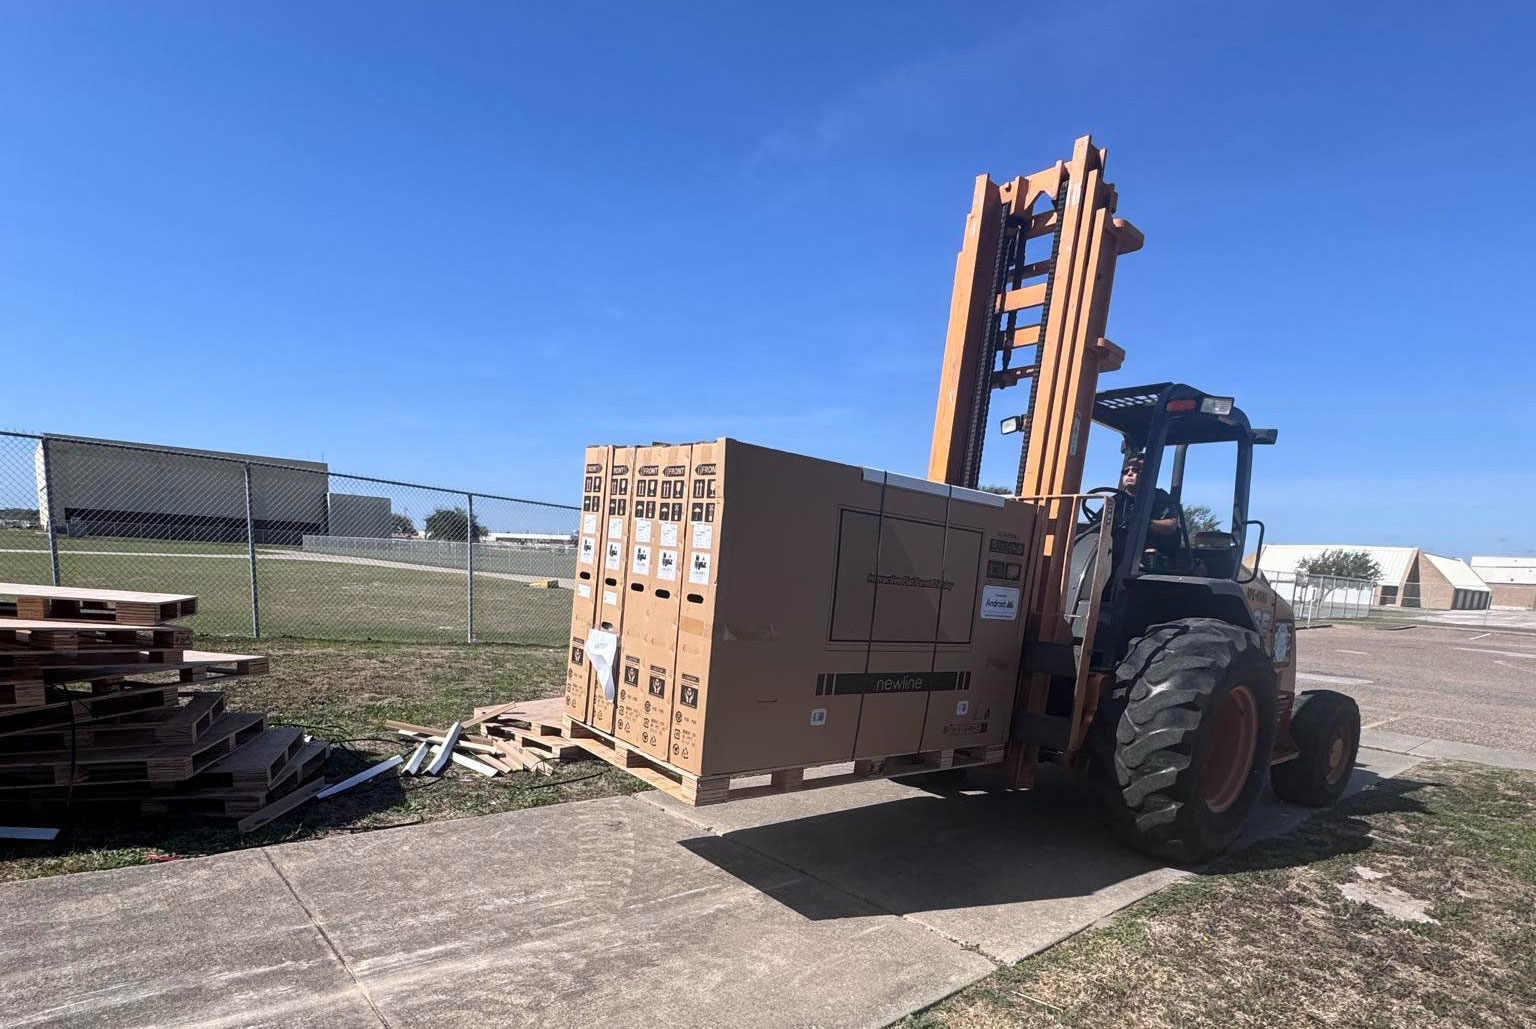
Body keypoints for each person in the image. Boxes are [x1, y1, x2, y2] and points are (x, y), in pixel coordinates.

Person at [1120, 452, 1181, 561]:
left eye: (1135, 470)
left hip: (1149, 555)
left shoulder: (1159, 497)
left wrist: (1142, 523)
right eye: (1125, 471)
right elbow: (1097, 524)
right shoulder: (1116, 500)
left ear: (1148, 474)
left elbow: (1171, 526)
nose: (1129, 474)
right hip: (1117, 552)